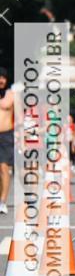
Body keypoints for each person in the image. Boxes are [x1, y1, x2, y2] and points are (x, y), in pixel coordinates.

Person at [0, 68, 14, 214]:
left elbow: (20, 119)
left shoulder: (12, 95)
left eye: (3, 77)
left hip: (6, 136)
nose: (1, 80)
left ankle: (2, 201)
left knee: (4, 168)